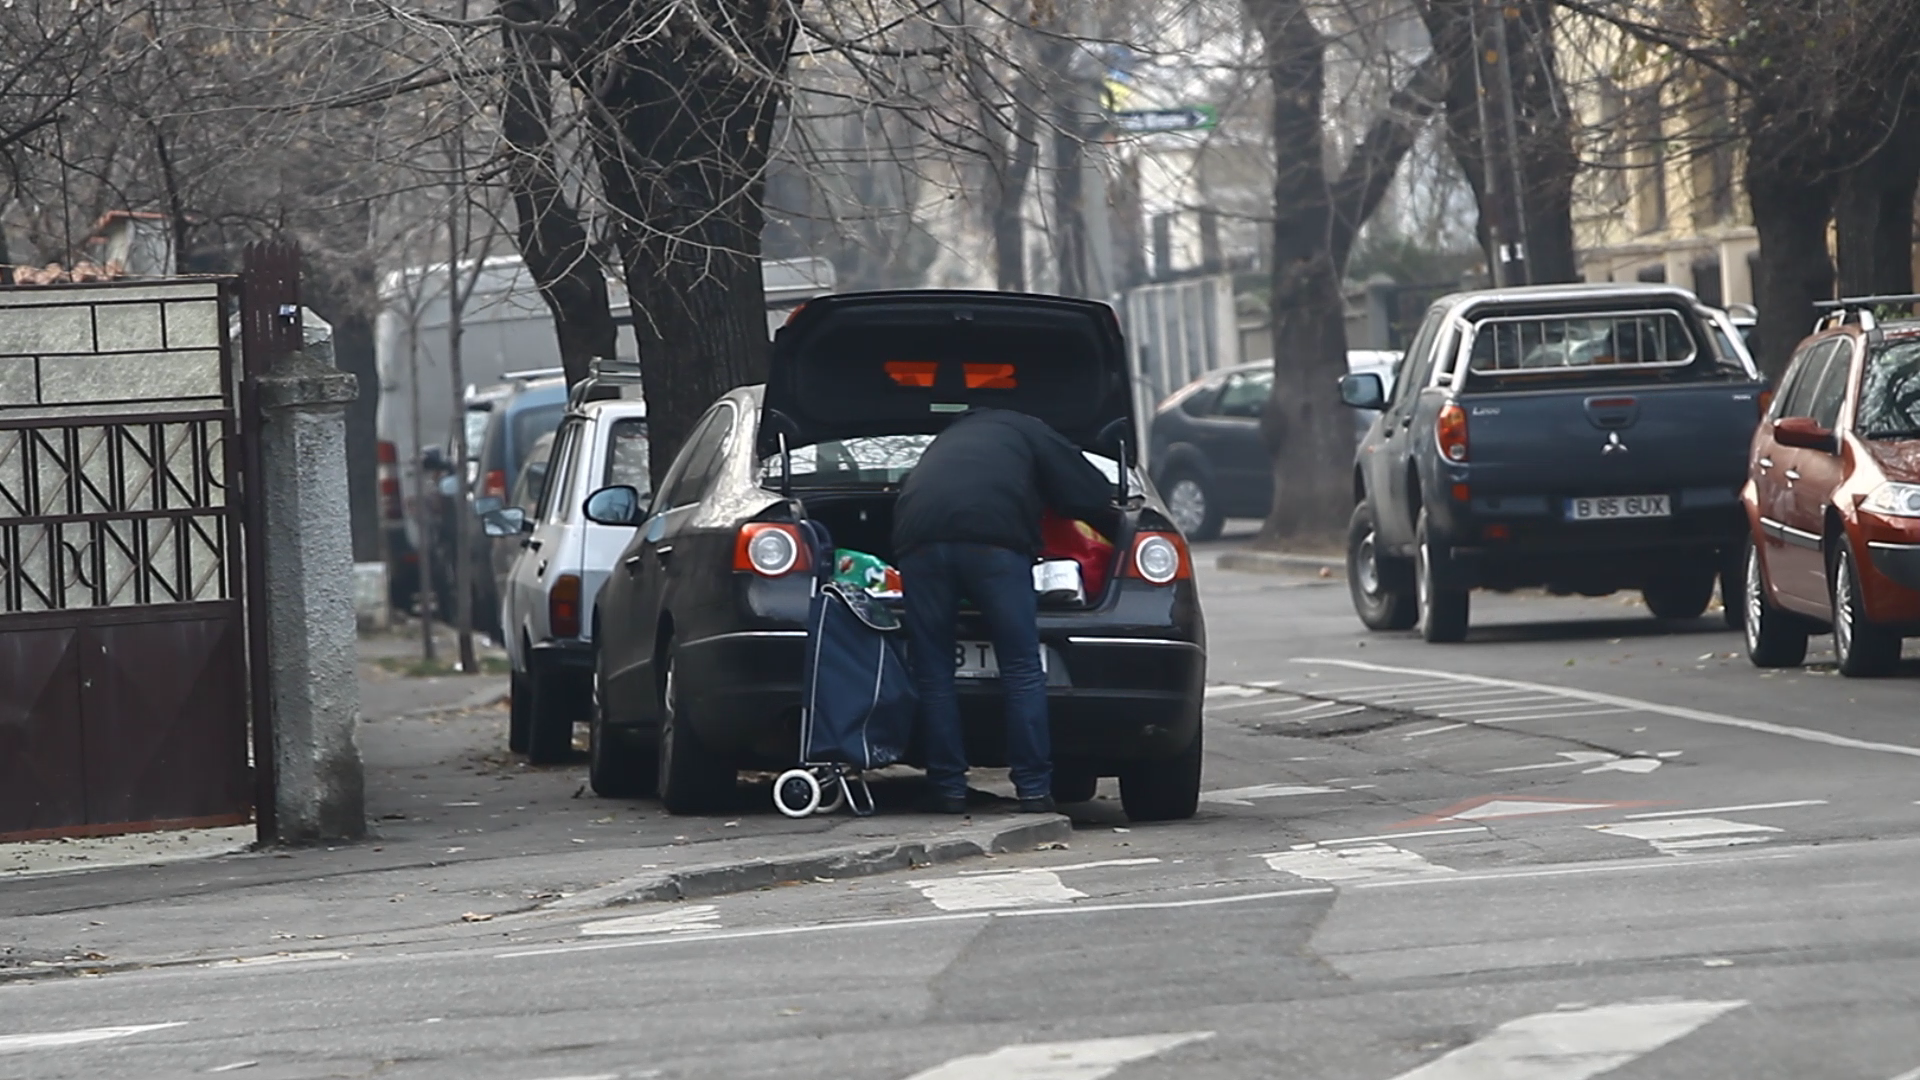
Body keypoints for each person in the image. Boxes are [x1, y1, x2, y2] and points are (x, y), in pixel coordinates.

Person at [892, 408, 1116, 814]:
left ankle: (948, 789)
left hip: (919, 542)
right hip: (993, 544)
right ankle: (1033, 789)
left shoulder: (945, 441)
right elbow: (1091, 494)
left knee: (933, 671)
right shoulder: (1027, 428)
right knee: (1021, 666)